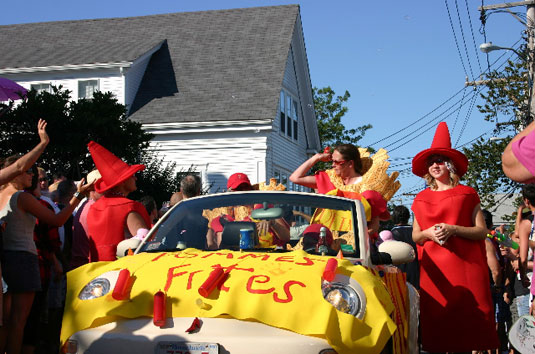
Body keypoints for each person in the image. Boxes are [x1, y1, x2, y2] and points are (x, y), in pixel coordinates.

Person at [411, 122, 498, 352]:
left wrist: (454, 229)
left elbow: (482, 231)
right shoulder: (420, 198)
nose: (435, 165)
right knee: (439, 326)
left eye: (439, 160)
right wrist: (429, 233)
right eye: (431, 162)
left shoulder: (468, 193)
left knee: (471, 324)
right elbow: (416, 236)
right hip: (435, 272)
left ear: (450, 165)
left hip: (466, 268)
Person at [0, 155, 92, 354]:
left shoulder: (2, 194)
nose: (32, 175)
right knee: (18, 323)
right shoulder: (21, 197)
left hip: (5, 259)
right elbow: (57, 220)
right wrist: (78, 196)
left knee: (4, 322)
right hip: (24, 259)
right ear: (17, 171)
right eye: (28, 170)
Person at [86, 141, 152, 262]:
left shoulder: (94, 207)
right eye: (131, 175)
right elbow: (144, 243)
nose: (135, 177)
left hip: (98, 272)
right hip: (124, 271)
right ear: (122, 181)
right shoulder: (129, 207)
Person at [207, 173, 290, 249]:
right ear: (229, 192)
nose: (243, 191)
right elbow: (221, 247)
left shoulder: (264, 207)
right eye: (238, 189)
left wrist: (272, 222)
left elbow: (286, 237)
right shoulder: (222, 218)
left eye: (246, 187)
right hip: (238, 259)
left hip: (271, 256)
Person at [70, 170, 102, 270]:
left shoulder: (85, 205)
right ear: (93, 187)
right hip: (90, 268)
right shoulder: (95, 207)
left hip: (83, 267)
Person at [390, 205, 419, 290]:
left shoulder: (392, 233)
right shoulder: (415, 232)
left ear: (394, 217)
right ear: (408, 217)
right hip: (416, 271)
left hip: (400, 273)